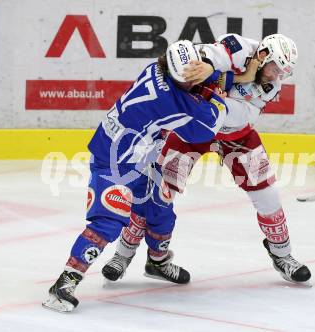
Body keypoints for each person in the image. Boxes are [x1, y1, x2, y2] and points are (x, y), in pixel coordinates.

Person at [102, 33, 311, 285]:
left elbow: (240, 116)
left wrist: (214, 89)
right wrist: (210, 68)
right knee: (159, 192)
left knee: (267, 193)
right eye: (275, 69)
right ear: (263, 55)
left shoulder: (271, 85)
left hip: (237, 136)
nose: (276, 78)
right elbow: (206, 57)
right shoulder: (237, 46)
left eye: (282, 73)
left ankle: (282, 255)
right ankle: (124, 254)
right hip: (190, 129)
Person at [42, 40, 228, 312]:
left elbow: (190, 84)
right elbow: (209, 126)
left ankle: (158, 262)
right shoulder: (172, 102)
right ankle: (64, 284)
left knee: (161, 209)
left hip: (139, 156)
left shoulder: (155, 68)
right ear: (179, 79)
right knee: (108, 222)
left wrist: (207, 74)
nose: (194, 82)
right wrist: (218, 93)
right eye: (190, 78)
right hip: (114, 162)